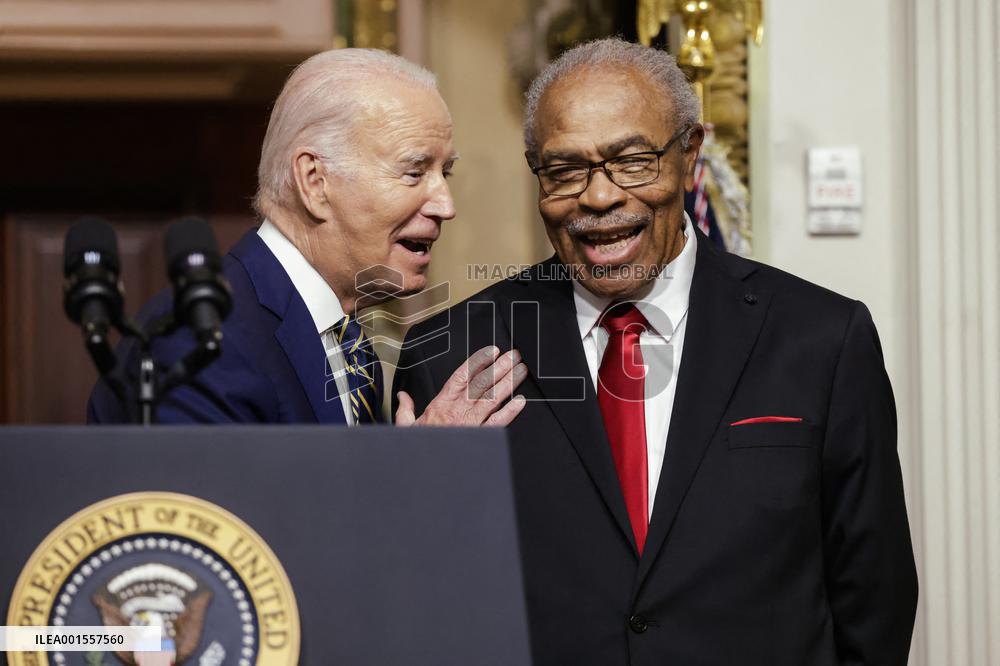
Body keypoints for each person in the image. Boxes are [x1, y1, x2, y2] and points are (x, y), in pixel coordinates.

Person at [393, 38, 918, 665]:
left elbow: (873, 600)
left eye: (633, 160)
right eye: (565, 171)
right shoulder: (450, 354)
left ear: (690, 155)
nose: (598, 197)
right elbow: (419, 603)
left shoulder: (821, 340)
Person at [88, 48, 526, 426]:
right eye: (414, 172)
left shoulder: (353, 345)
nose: (445, 205)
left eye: (444, 173)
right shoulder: (200, 341)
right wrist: (411, 477)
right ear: (314, 181)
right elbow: (226, 521)